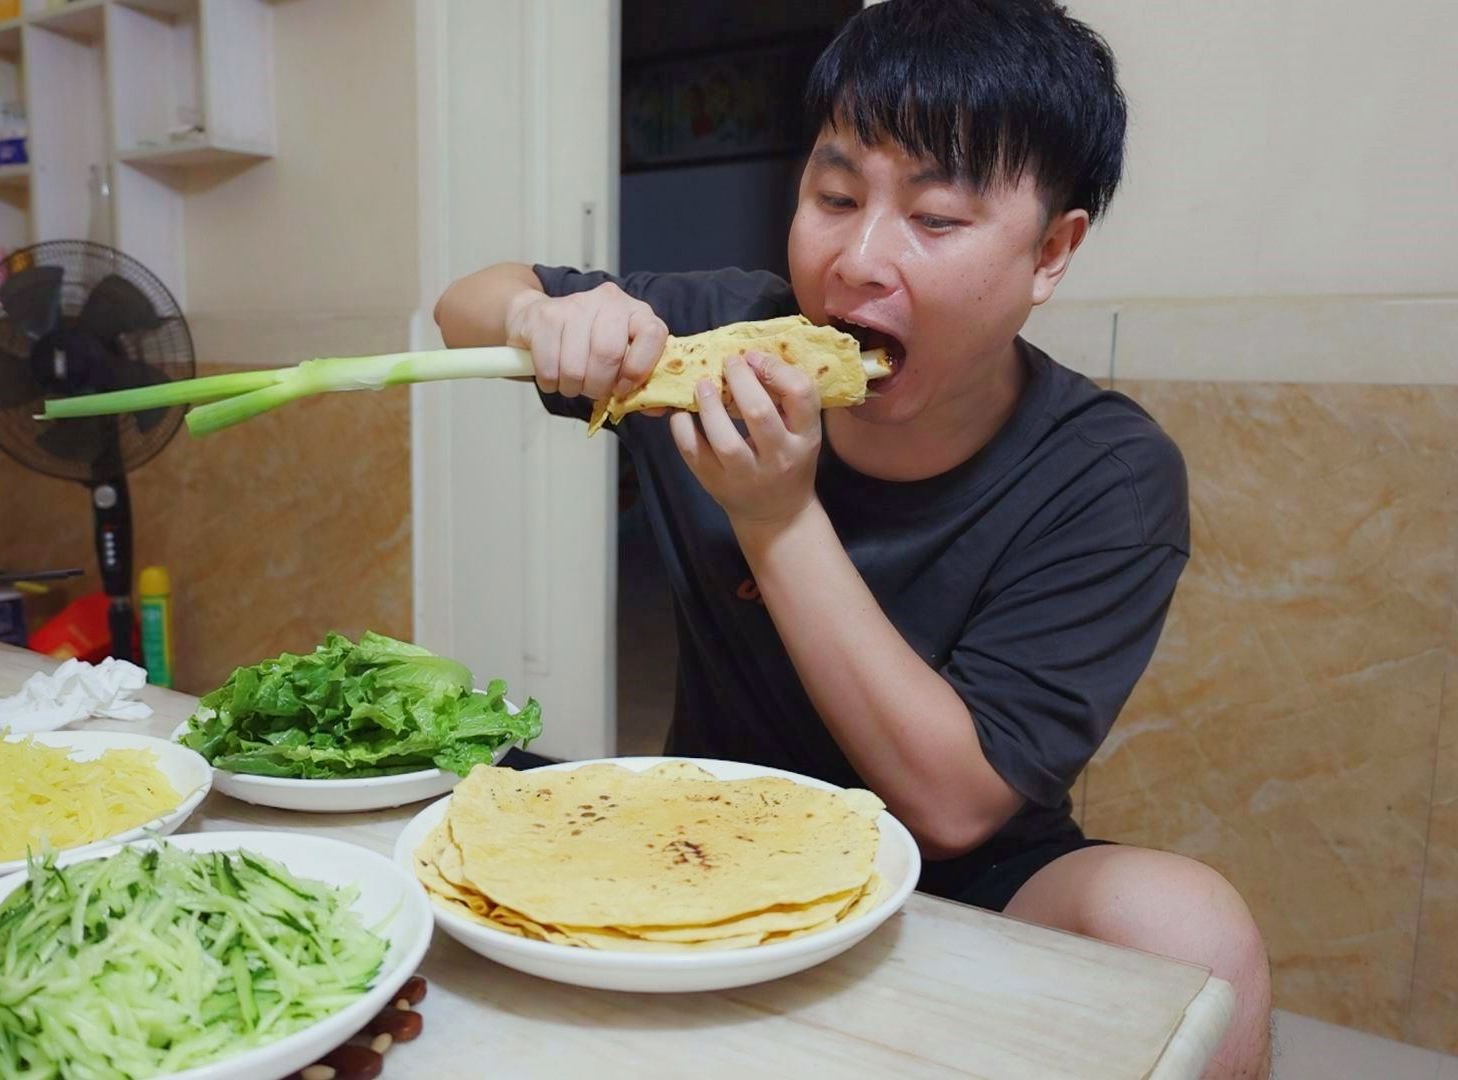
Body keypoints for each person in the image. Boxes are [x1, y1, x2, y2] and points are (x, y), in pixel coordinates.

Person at [434, 1, 1269, 1075]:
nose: (860, 258)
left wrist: (776, 517)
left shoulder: (1106, 475)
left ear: (1050, 253)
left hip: (966, 876)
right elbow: (464, 303)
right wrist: (540, 321)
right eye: (834, 195)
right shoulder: (718, 340)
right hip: (706, 836)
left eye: (937, 218)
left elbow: (957, 802)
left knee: (1192, 926)